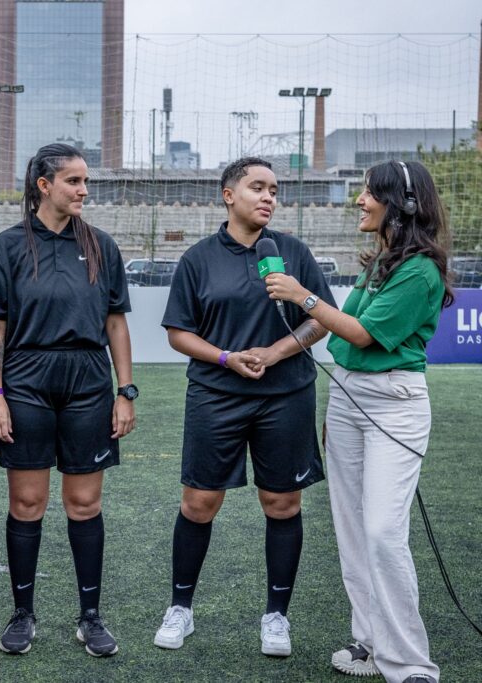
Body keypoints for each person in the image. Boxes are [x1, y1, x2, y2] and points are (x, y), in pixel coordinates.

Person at [265, 160, 451, 683]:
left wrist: (302, 296)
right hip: (349, 403)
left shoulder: (420, 269)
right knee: (351, 529)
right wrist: (338, 412)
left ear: (403, 204)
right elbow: (350, 343)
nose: (359, 201)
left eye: (369, 193)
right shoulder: (385, 260)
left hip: (394, 402)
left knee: (381, 532)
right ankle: (370, 644)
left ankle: (412, 663)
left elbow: (362, 334)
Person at [155, 156, 335, 658]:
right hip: (216, 395)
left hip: (287, 397)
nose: (268, 198)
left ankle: (277, 617)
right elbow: (178, 332)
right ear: (228, 194)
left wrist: (275, 353)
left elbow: (322, 318)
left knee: (282, 504)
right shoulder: (197, 258)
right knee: (199, 503)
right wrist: (227, 358)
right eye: (258, 187)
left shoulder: (293, 253)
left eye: (274, 190)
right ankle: (180, 608)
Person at [0, 142, 136, 658]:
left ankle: (90, 617)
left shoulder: (102, 246)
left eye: (86, 181)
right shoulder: (7, 246)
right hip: (26, 381)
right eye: (74, 181)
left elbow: (116, 323)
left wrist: (125, 391)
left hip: (88, 381)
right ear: (44, 186)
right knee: (27, 503)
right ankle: (23, 614)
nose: (84, 190)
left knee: (84, 504)